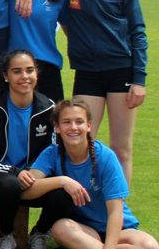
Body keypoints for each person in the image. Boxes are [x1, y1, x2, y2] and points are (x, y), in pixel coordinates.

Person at [60, 0, 147, 183]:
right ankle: (85, 212)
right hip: (87, 72)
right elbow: (64, 19)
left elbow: (138, 30)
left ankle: (121, 216)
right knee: (82, 145)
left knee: (121, 148)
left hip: (121, 70)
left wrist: (139, 79)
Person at [27, 100, 158, 249]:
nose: (73, 127)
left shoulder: (105, 156)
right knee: (60, 229)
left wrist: (110, 246)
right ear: (57, 127)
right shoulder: (52, 153)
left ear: (89, 126)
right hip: (83, 229)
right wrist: (62, 181)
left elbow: (115, 211)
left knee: (150, 245)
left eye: (79, 122)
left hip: (118, 229)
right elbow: (28, 190)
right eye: (66, 122)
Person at [0, 50, 70, 249]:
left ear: (37, 74)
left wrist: (33, 173)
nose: (24, 77)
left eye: (29, 70)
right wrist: (15, 172)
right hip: (2, 176)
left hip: (35, 176)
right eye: (17, 71)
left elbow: (53, 151)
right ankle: (7, 234)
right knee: (9, 185)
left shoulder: (48, 107)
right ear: (6, 76)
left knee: (64, 192)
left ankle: (40, 232)